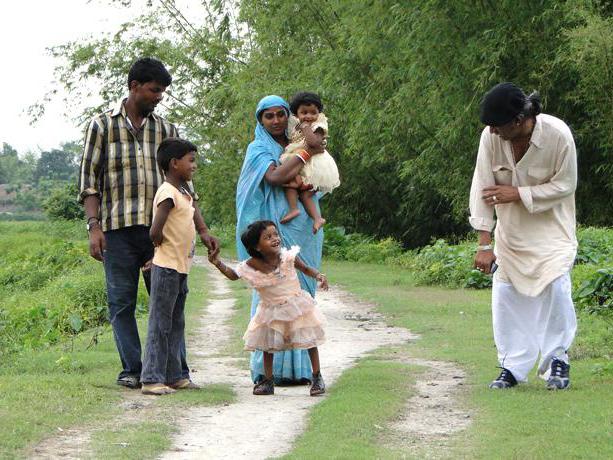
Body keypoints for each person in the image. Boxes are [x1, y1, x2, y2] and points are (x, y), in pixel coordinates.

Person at [78, 57, 219, 389]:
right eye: (155, 90)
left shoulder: (167, 131)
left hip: (163, 233)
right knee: (122, 303)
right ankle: (134, 370)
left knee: (168, 303)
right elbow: (88, 182)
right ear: (134, 87)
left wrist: (201, 229)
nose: (159, 97)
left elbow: (186, 187)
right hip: (117, 231)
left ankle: (175, 372)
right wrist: (94, 226)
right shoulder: (101, 126)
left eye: (163, 92)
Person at [469, 82, 578, 390]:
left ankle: (558, 361)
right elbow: (482, 186)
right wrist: (484, 244)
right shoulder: (491, 138)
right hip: (511, 235)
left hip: (553, 231)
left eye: (497, 125)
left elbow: (566, 185)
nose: (491, 132)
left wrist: (518, 193)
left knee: (557, 288)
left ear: (519, 120)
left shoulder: (558, 136)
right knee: (505, 295)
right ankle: (512, 368)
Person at [235, 95, 326, 385]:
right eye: (268, 116)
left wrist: (306, 151)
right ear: (260, 120)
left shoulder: (296, 140)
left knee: (302, 298)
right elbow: (274, 179)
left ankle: (300, 370)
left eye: (280, 115)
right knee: (272, 296)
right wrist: (305, 153)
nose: (275, 121)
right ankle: (266, 371)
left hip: (303, 228)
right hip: (271, 231)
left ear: (289, 116)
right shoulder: (258, 148)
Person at [209, 220, 328, 396]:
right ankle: (267, 380)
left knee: (309, 340)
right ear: (257, 247)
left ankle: (317, 376)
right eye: (268, 237)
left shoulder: (287, 256)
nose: (275, 239)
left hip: (296, 305)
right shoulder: (250, 266)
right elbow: (233, 275)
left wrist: (318, 275)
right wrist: (217, 262)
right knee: (267, 345)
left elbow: (305, 268)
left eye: (275, 235)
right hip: (270, 309)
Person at [141, 138, 199, 395]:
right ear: (174, 164)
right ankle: (151, 378)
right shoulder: (167, 193)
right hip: (165, 268)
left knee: (176, 323)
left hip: (180, 268)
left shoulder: (184, 193)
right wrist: (160, 247)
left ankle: (175, 375)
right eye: (191, 160)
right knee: (159, 324)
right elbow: (156, 229)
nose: (194, 166)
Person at [279, 92, 340, 233]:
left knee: (304, 190)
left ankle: (316, 218)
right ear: (296, 114)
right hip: (300, 158)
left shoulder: (318, 124)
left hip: (314, 163)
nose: (308, 116)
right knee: (292, 184)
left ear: (319, 112)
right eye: (304, 112)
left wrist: (306, 127)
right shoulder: (295, 124)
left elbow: (313, 143)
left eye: (313, 112)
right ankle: (296, 210)